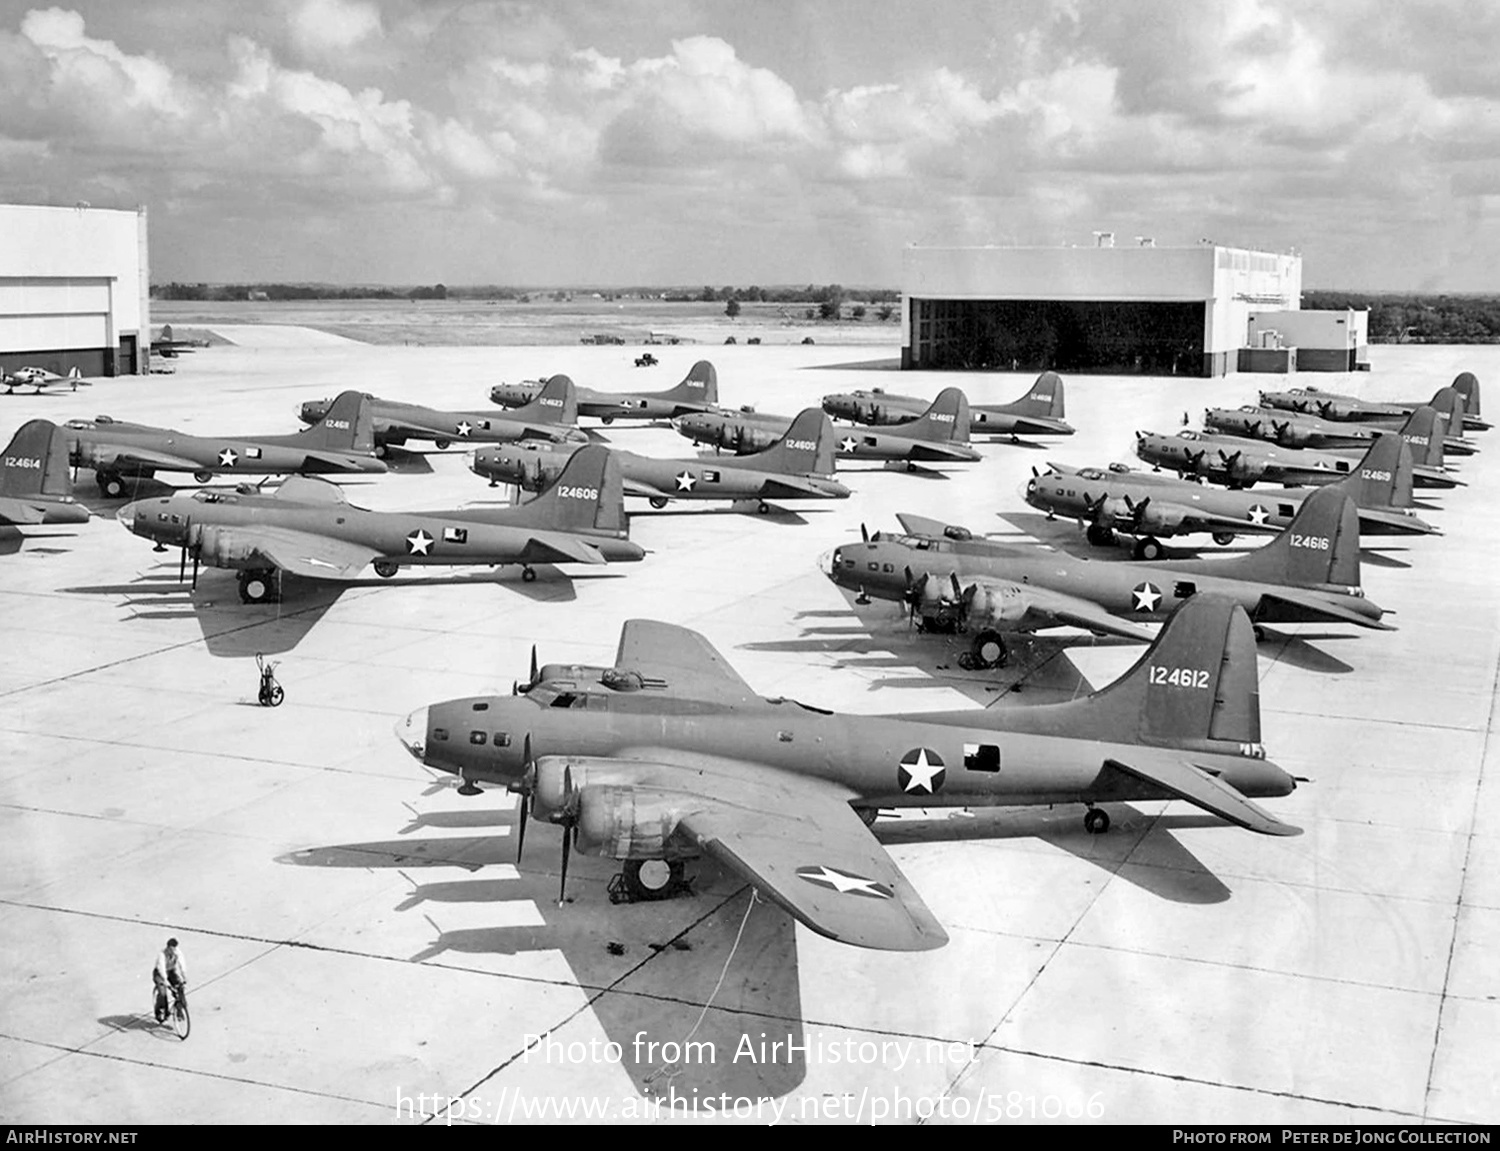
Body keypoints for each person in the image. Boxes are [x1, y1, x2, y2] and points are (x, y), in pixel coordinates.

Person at [153, 938, 187, 1021]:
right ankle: (160, 1010)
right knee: (162, 992)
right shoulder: (162, 955)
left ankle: (180, 1010)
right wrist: (166, 982)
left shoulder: (177, 952)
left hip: (171, 971)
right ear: (167, 948)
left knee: (180, 988)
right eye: (172, 949)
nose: (173, 951)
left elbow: (181, 963)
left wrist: (184, 976)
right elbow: (162, 969)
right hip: (160, 974)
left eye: (175, 948)